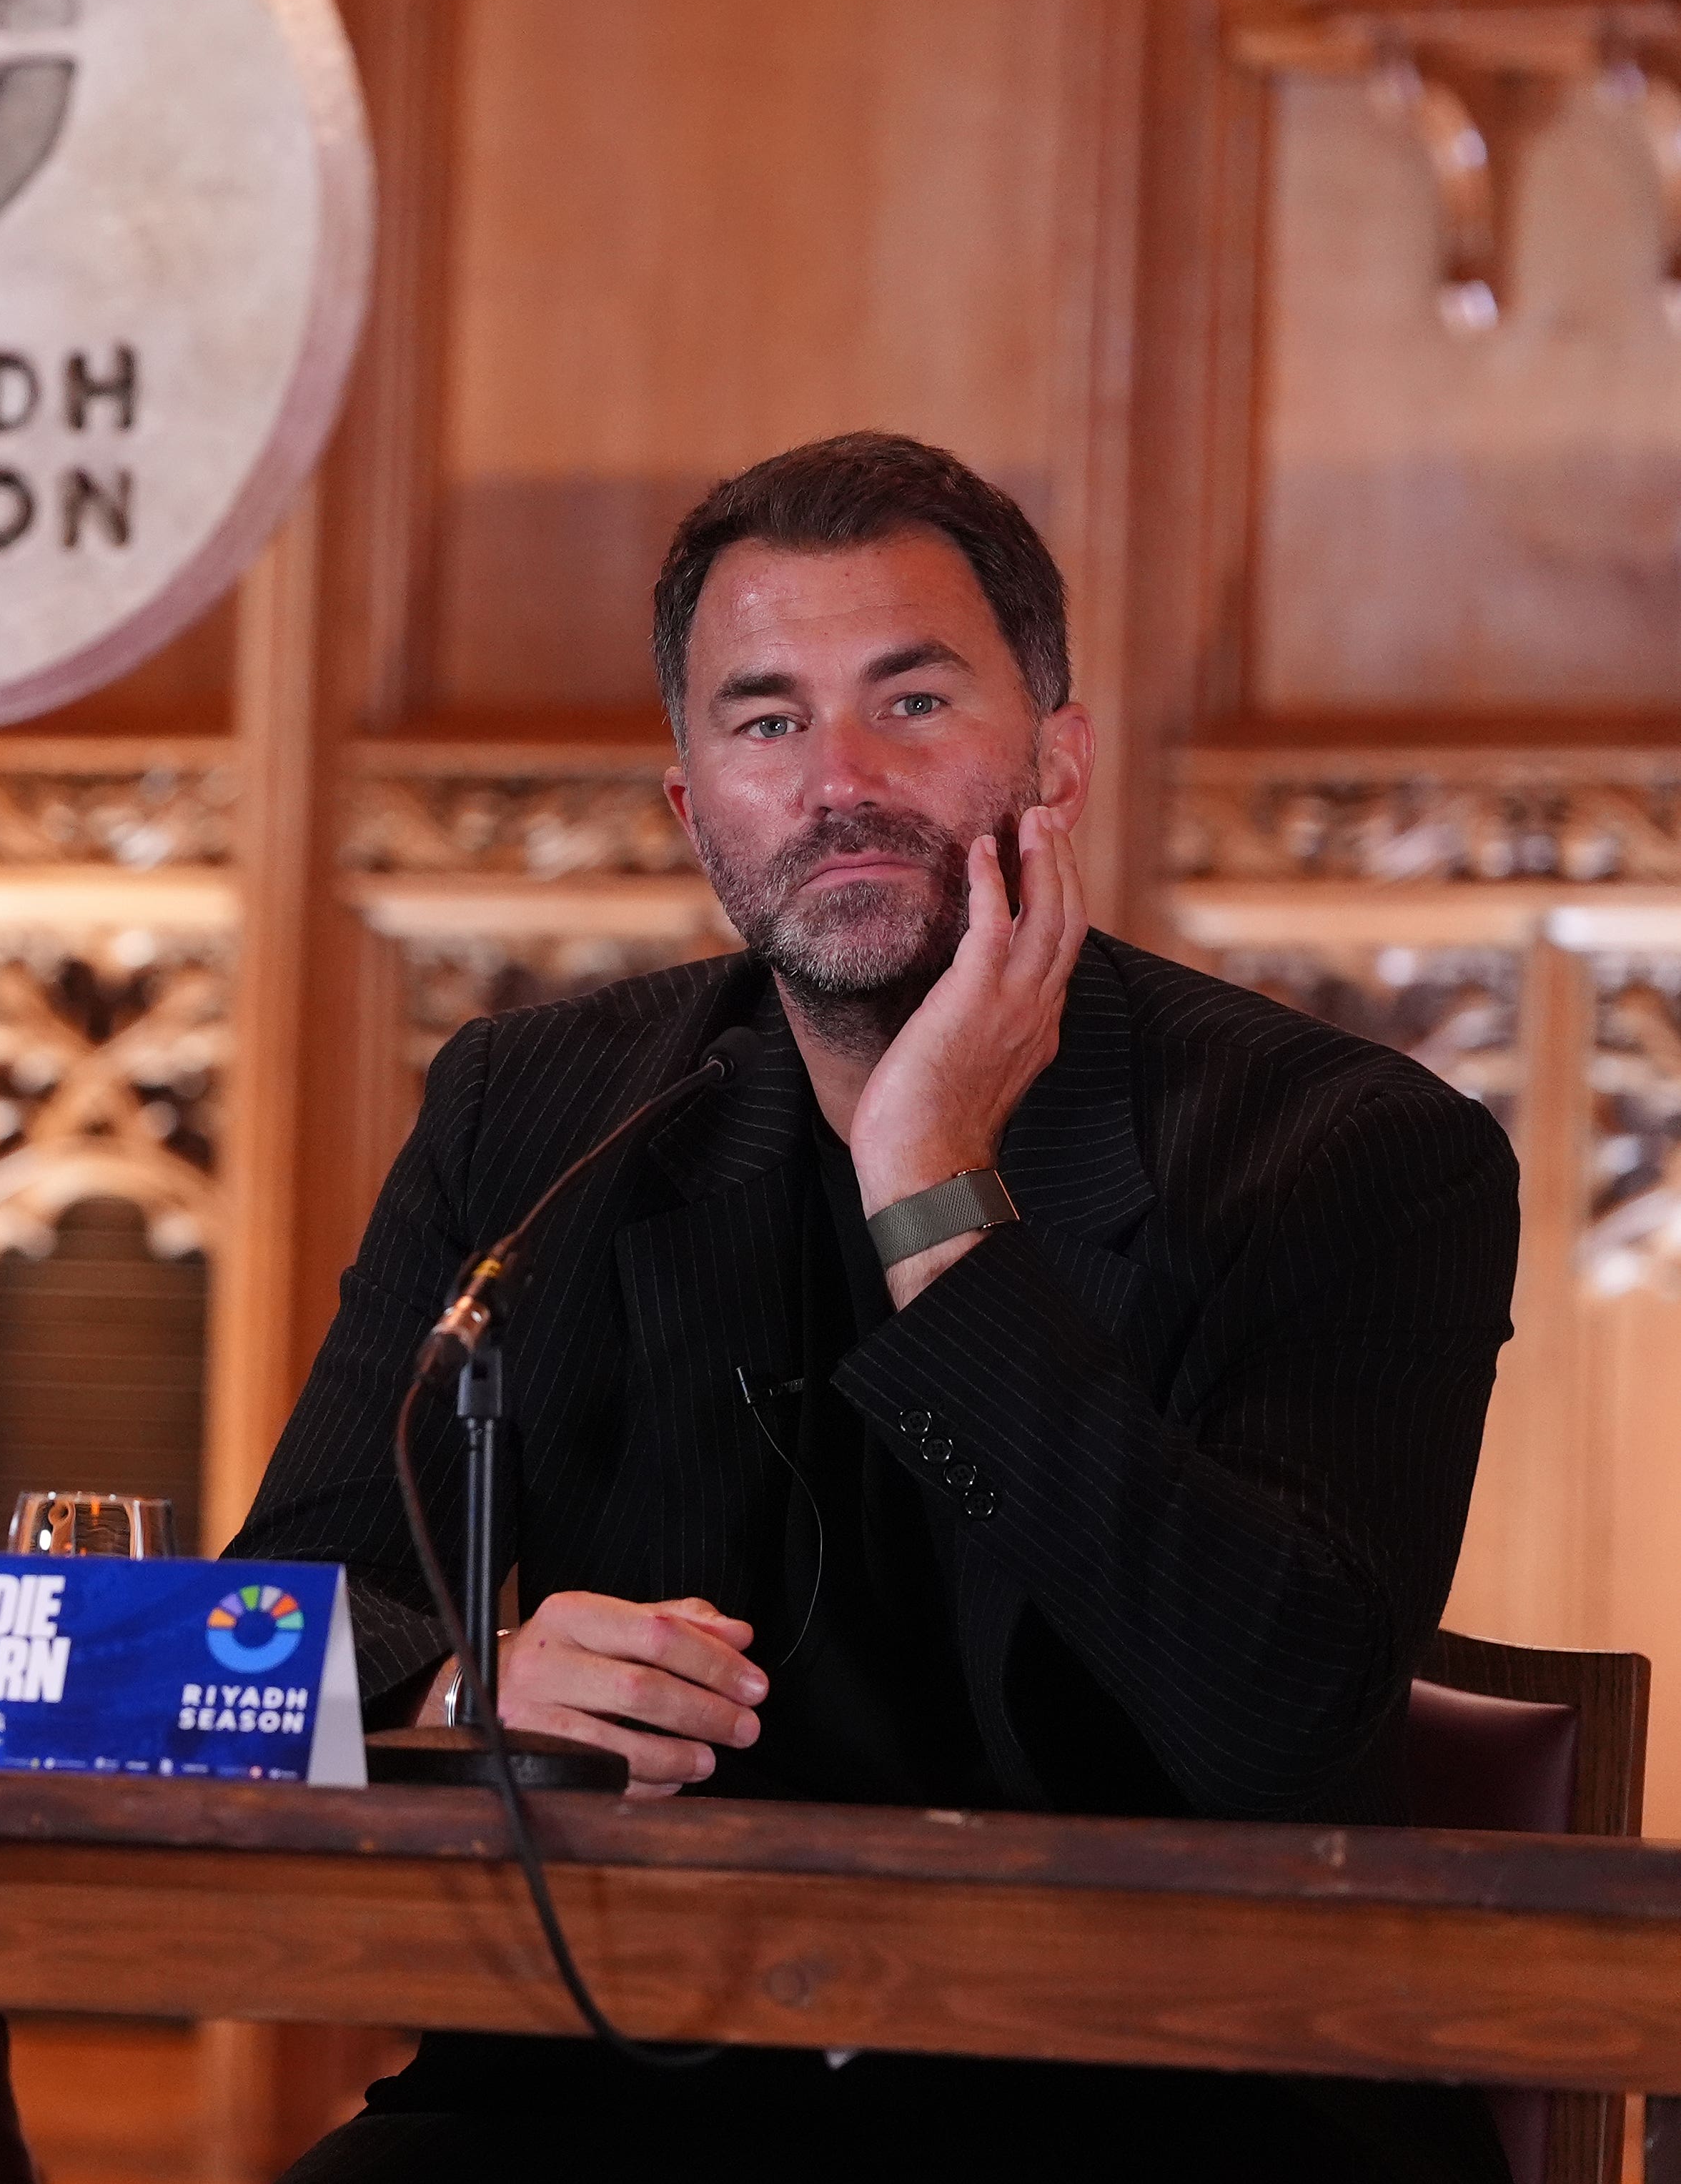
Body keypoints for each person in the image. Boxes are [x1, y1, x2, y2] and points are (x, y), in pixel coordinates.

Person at [232, 435, 1520, 2183]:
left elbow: (1275, 1719)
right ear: (691, 806)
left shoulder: (1348, 1149)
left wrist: (930, 1185)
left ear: (1055, 758)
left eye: (910, 702)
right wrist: (472, 1680)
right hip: (625, 2074)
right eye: (764, 721)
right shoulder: (528, 1112)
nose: (837, 780)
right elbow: (265, 1620)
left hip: (1160, 2091)